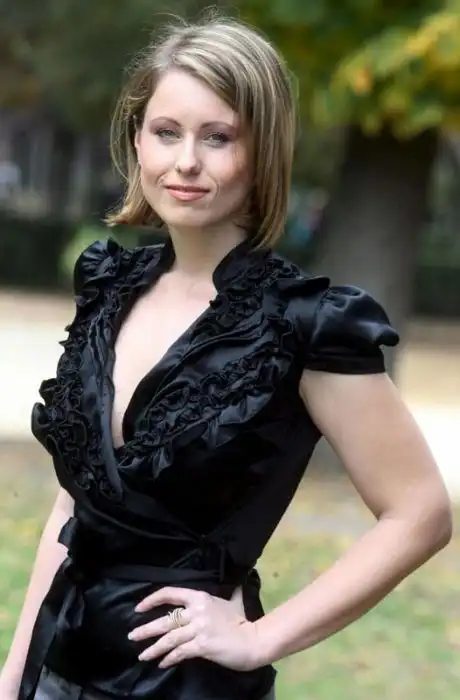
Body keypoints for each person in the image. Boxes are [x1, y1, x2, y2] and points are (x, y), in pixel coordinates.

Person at [0, 14, 452, 700]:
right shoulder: (110, 289)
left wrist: (260, 637)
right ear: (137, 141)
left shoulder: (305, 326)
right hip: (57, 673)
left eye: (218, 137)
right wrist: (15, 675)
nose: (186, 161)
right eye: (166, 132)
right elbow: (76, 504)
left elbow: (420, 512)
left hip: (186, 686)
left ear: (261, 152)